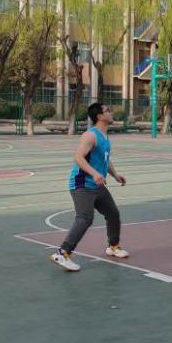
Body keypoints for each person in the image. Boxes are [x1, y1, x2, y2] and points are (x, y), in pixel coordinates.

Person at [50, 103, 128, 272]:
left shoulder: (105, 136)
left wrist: (115, 174)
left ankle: (113, 246)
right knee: (85, 218)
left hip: (97, 184)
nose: (111, 112)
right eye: (107, 110)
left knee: (113, 213)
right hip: (82, 184)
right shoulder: (90, 135)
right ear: (100, 116)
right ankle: (62, 253)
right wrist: (94, 173)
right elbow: (78, 157)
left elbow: (104, 159)